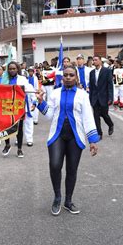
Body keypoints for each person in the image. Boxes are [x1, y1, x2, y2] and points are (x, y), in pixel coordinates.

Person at [35, 66, 99, 215]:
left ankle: (68, 201)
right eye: (66, 75)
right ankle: (57, 197)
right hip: (57, 135)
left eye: (71, 75)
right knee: (55, 165)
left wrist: (93, 140)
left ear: (76, 77)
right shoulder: (55, 93)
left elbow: (88, 117)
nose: (68, 77)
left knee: (72, 170)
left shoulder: (83, 95)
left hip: (75, 137)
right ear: (62, 77)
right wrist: (41, 102)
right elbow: (50, 115)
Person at [1, 62, 36, 158]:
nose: (12, 70)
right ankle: (7, 145)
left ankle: (19, 149)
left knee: (19, 128)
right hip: (7, 106)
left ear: (17, 69)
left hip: (19, 106)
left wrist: (34, 102)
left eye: (14, 68)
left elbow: (30, 90)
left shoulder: (22, 79)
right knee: (5, 126)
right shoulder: (4, 80)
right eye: (10, 69)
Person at [89, 56, 114, 140]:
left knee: (104, 114)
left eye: (96, 60)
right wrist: (90, 98)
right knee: (96, 116)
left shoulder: (107, 71)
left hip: (104, 97)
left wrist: (110, 97)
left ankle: (110, 124)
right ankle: (99, 133)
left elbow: (110, 85)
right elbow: (91, 87)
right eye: (93, 60)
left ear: (100, 61)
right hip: (95, 98)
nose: (94, 61)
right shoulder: (91, 72)